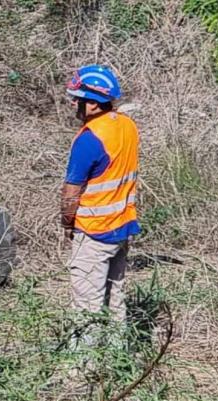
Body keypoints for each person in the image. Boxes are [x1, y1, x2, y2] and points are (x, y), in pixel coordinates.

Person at [60, 65, 139, 329]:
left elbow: (71, 192)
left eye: (78, 98)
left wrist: (68, 223)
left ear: (93, 104)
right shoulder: (127, 126)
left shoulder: (90, 139)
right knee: (115, 299)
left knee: (87, 307)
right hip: (121, 227)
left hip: (94, 231)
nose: (74, 104)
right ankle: (116, 358)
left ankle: (84, 367)